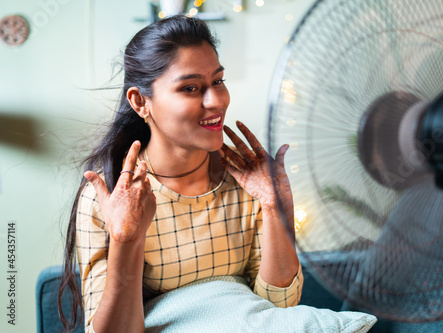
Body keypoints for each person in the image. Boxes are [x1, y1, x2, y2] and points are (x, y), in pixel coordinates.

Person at [58, 15, 302, 333]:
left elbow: (280, 309)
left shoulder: (249, 181)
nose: (216, 101)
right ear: (140, 101)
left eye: (218, 81)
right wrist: (126, 239)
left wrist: (276, 207)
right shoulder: (108, 195)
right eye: (190, 88)